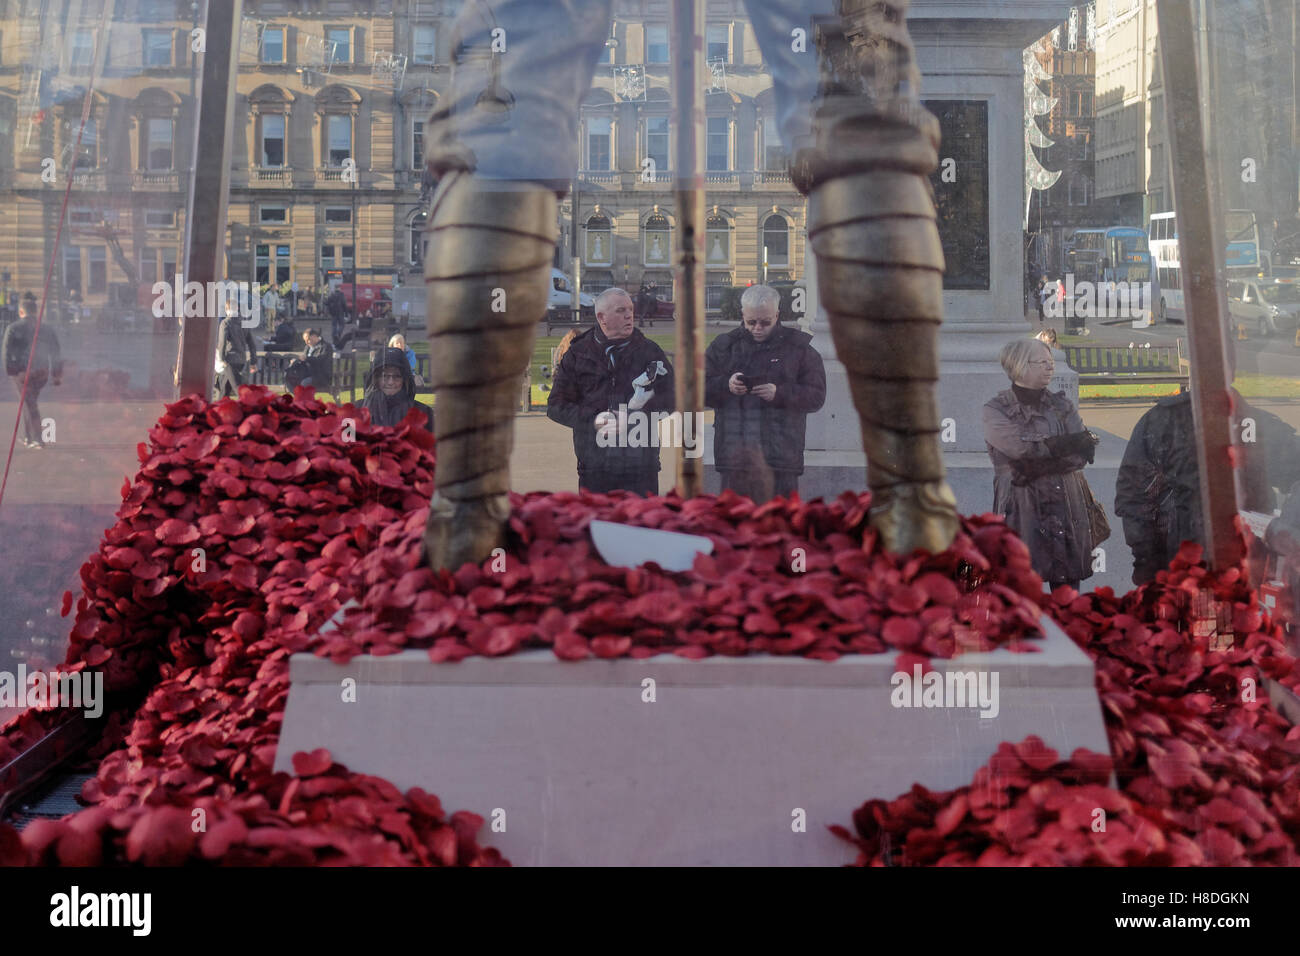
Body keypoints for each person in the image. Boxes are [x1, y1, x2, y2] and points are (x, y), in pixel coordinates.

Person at [1115, 380, 1300, 586]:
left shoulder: (1259, 425)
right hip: (1185, 565)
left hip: (1249, 568)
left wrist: (1287, 532)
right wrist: (1147, 560)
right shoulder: (1163, 422)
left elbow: (1135, 495)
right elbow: (1135, 495)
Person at [983, 338, 1101, 591]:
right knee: (1023, 587)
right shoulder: (996, 409)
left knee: (1068, 591)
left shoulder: (1062, 405)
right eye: (1043, 363)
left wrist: (1035, 467)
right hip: (1022, 504)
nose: (1050, 368)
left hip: (1066, 503)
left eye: (1051, 362)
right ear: (1020, 366)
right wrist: (1063, 444)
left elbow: (1082, 454)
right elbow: (1019, 448)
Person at [704, 283, 826, 503]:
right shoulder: (723, 347)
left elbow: (816, 396)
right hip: (735, 457)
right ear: (742, 314)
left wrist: (779, 393)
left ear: (777, 315)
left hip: (781, 458)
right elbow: (695, 388)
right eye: (751, 322)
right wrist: (726, 386)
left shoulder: (799, 349)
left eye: (765, 322)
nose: (757, 328)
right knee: (733, 526)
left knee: (781, 527)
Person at [546, 287, 674, 495]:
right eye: (621, 310)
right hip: (595, 467)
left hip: (641, 468)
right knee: (598, 526)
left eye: (631, 310)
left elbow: (673, 398)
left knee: (641, 526)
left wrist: (635, 416)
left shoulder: (650, 352)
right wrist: (594, 420)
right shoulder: (578, 354)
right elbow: (555, 406)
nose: (629, 315)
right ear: (601, 317)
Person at [2, 297, 62, 448]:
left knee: (29, 404)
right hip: (41, 372)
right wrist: (56, 373)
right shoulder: (46, 328)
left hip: (22, 372)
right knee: (29, 402)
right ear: (36, 312)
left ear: (21, 312)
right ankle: (29, 437)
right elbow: (55, 351)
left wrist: (12, 372)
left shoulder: (14, 328)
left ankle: (37, 438)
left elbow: (7, 352)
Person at [361, 347, 433, 432]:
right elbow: (346, 442)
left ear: (405, 379)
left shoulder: (423, 413)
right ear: (376, 379)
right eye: (385, 376)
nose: (390, 382)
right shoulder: (356, 411)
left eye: (397, 376)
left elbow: (435, 443)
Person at [215, 299, 257, 399]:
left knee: (238, 389)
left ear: (226, 309)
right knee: (224, 390)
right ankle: (219, 408)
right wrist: (253, 361)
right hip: (241, 359)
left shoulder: (225, 323)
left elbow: (222, 343)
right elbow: (252, 344)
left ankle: (249, 406)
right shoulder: (244, 322)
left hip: (229, 360)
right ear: (237, 308)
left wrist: (221, 359)